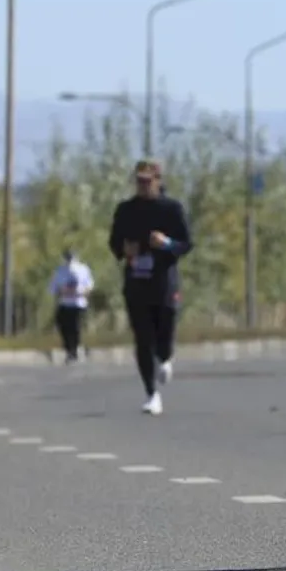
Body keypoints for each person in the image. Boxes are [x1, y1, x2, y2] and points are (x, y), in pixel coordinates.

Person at [107, 159, 191, 415]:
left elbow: (186, 244)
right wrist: (124, 249)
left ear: (158, 181)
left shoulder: (171, 209)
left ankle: (165, 357)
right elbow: (113, 242)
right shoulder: (126, 210)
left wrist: (166, 244)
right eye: (139, 181)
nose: (143, 186)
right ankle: (151, 393)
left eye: (148, 181)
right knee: (143, 339)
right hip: (136, 281)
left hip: (163, 280)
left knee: (165, 330)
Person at [51, 248, 94, 361]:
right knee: (63, 325)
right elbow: (54, 288)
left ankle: (74, 350)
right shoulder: (60, 270)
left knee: (75, 327)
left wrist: (80, 293)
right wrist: (63, 292)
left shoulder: (83, 269)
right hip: (65, 303)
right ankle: (69, 348)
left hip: (78, 303)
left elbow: (89, 286)